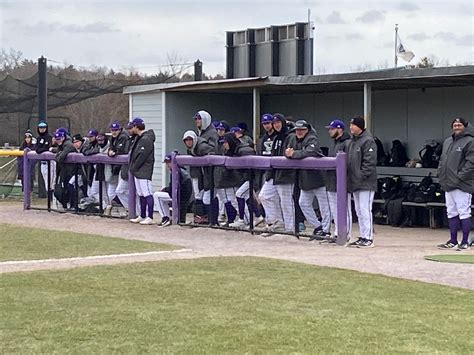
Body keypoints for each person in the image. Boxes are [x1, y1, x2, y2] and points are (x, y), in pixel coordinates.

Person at [284, 120, 331, 239]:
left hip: (318, 178)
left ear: (307, 130)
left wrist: (294, 154)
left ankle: (326, 230)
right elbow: (287, 151)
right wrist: (288, 153)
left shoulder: (312, 138)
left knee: (324, 206)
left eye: (302, 130)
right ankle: (318, 227)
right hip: (304, 180)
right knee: (303, 203)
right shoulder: (293, 138)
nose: (299, 132)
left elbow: (310, 151)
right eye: (297, 130)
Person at [437, 117, 474, 250]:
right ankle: (453, 240)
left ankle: (464, 242)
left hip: (462, 184)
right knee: (451, 212)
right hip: (448, 183)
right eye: (454, 124)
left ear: (465, 126)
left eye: (459, 124)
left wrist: (459, 177)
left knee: (464, 212)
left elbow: (471, 163)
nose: (457, 126)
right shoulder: (448, 141)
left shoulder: (470, 141)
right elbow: (442, 160)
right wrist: (440, 174)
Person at [259, 113, 294, 233]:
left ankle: (290, 229)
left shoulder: (290, 136)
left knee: (286, 202)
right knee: (264, 196)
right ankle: (277, 222)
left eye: (278, 122)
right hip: (273, 173)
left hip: (286, 174)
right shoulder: (276, 137)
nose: (276, 125)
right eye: (275, 123)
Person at [346, 116, 377, 248]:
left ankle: (368, 238)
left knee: (365, 210)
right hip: (355, 182)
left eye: (353, 125)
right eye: (351, 125)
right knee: (358, 210)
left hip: (366, 183)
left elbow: (369, 163)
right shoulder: (352, 142)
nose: (351, 127)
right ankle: (363, 236)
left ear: (360, 126)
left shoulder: (368, 141)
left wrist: (360, 176)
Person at [325, 119, 352, 242]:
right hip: (331, 180)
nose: (330, 131)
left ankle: (346, 234)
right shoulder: (335, 143)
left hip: (342, 181)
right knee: (334, 208)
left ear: (339, 129)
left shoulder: (347, 142)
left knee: (344, 209)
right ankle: (337, 233)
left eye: (332, 129)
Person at [182, 130, 214, 224]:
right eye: (186, 140)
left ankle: (211, 220)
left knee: (209, 198)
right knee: (199, 196)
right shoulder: (190, 149)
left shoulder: (202, 146)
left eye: (190, 139)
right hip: (198, 175)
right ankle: (200, 218)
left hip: (209, 175)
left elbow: (213, 154)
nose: (188, 141)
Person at [129, 117, 156, 225]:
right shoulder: (140, 138)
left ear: (136, 126)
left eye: (133, 126)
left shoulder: (146, 139)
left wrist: (133, 167)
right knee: (141, 194)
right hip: (138, 171)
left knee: (147, 193)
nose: (132, 128)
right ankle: (142, 215)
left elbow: (141, 156)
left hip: (144, 170)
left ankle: (150, 216)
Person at [154, 154, 193, 226]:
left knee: (156, 195)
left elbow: (174, 189)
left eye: (169, 162)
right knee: (161, 197)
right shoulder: (180, 170)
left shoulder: (177, 171)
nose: (168, 165)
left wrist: (165, 190)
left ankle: (165, 218)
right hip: (182, 195)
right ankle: (168, 218)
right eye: (166, 163)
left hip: (180, 195)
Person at [105, 121, 130, 215]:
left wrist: (115, 152)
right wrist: (110, 151)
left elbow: (123, 150)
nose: (114, 132)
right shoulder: (112, 138)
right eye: (112, 130)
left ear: (120, 129)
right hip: (116, 168)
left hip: (125, 167)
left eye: (116, 130)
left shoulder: (124, 136)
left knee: (122, 191)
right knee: (114, 193)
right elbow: (111, 148)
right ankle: (126, 209)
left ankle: (131, 209)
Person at [35, 121, 55, 196]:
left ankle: (53, 201)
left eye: (43, 128)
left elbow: (47, 148)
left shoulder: (49, 137)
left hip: (51, 163)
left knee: (51, 184)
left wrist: (42, 149)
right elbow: (37, 149)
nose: (42, 129)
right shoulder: (38, 138)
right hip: (43, 163)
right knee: (47, 185)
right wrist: (42, 148)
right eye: (40, 128)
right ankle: (50, 201)